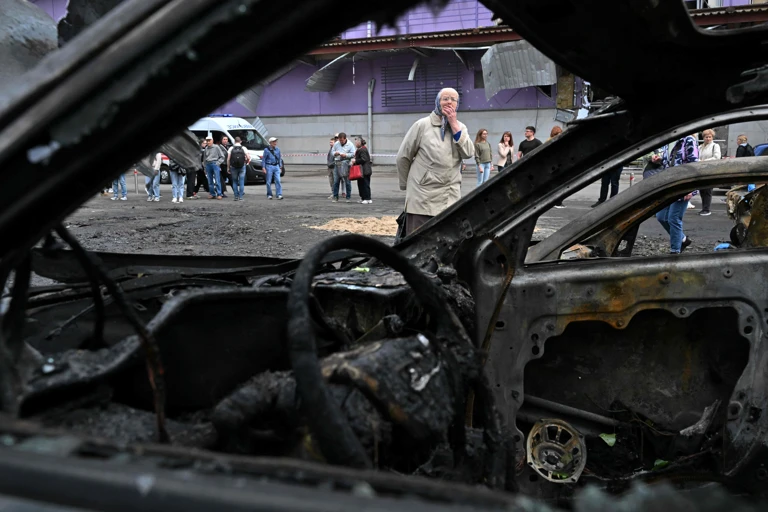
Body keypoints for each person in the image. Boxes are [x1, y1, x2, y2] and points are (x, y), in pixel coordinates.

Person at [396, 88, 474, 236]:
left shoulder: (460, 127)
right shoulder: (422, 125)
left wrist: (454, 124)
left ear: (458, 104)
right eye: (445, 98)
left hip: (449, 197)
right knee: (418, 242)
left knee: (445, 242)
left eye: (453, 99)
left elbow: (468, 153)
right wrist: (409, 186)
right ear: (438, 102)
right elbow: (403, 157)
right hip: (422, 197)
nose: (449, 102)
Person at [655, 134, 699, 254]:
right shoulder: (667, 140)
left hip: (682, 186)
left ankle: (675, 250)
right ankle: (683, 239)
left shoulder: (688, 140)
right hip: (669, 185)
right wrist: (659, 159)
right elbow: (668, 162)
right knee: (661, 216)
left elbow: (694, 164)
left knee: (673, 218)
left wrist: (690, 188)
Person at [697, 129, 721, 216]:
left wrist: (704, 161)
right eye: (706, 137)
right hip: (700, 171)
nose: (708, 138)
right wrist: (699, 161)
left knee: (707, 191)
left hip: (710, 171)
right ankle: (704, 208)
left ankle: (706, 209)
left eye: (710, 137)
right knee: (702, 191)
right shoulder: (700, 147)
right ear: (703, 138)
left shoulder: (715, 146)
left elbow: (717, 157)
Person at [331, 132, 355, 202]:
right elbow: (332, 151)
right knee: (336, 181)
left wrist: (346, 155)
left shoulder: (350, 144)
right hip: (337, 162)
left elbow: (353, 153)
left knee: (347, 181)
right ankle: (335, 196)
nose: (341, 142)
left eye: (342, 140)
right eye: (339, 140)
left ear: (345, 139)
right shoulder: (336, 144)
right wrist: (335, 153)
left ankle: (348, 197)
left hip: (346, 163)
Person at [227, 136, 251, 201]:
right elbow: (248, 157)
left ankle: (235, 197)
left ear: (234, 141)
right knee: (241, 182)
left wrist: (228, 167)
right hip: (242, 166)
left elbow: (228, 159)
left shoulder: (231, 148)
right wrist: (246, 162)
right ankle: (241, 197)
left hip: (233, 167)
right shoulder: (244, 148)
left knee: (234, 181)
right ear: (240, 141)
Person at [350, 136, 373, 204]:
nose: (355, 143)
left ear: (360, 142)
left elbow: (363, 159)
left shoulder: (362, 150)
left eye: (356, 142)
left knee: (365, 184)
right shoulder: (361, 149)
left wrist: (355, 161)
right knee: (361, 184)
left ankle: (367, 198)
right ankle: (363, 198)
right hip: (362, 170)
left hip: (364, 171)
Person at [203, 135, 226, 199]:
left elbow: (222, 156)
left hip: (214, 163)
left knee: (217, 180)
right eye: (207, 141)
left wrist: (217, 163)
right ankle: (212, 193)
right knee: (210, 181)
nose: (208, 142)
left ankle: (219, 194)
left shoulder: (216, 147)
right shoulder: (206, 148)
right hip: (208, 164)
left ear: (212, 141)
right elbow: (204, 159)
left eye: (209, 140)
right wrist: (205, 167)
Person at [548, 127, 566, 208]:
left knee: (557, 185)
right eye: (557, 134)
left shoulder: (550, 140)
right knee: (557, 185)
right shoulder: (552, 141)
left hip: (555, 166)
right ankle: (557, 202)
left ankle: (557, 202)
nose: (559, 135)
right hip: (555, 166)